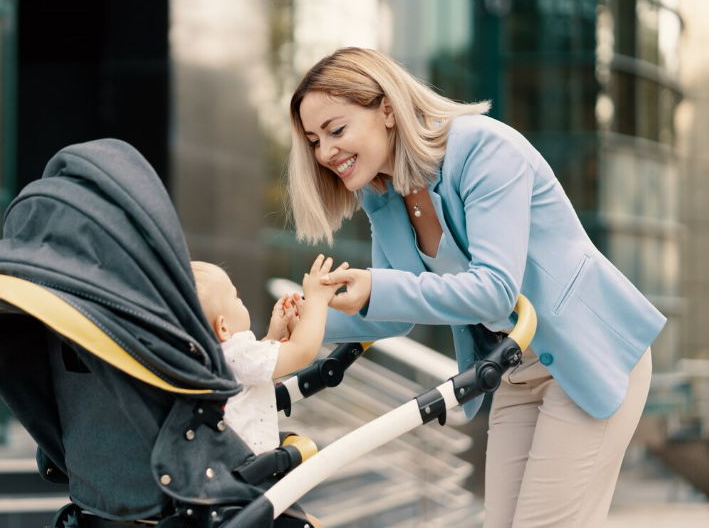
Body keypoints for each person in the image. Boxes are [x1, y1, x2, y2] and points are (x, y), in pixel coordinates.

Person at [285, 47, 665, 527]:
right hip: (514, 365)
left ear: (386, 109)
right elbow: (391, 312)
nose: (325, 152)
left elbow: (494, 291)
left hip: (589, 353)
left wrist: (374, 285)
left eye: (336, 130)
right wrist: (305, 323)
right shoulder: (382, 195)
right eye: (314, 140)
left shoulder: (483, 149)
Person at [191, 255, 341, 456]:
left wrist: (272, 338)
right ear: (223, 327)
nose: (240, 300)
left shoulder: (199, 361)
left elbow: (243, 375)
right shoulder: (239, 354)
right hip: (252, 470)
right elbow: (302, 351)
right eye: (236, 297)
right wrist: (317, 301)